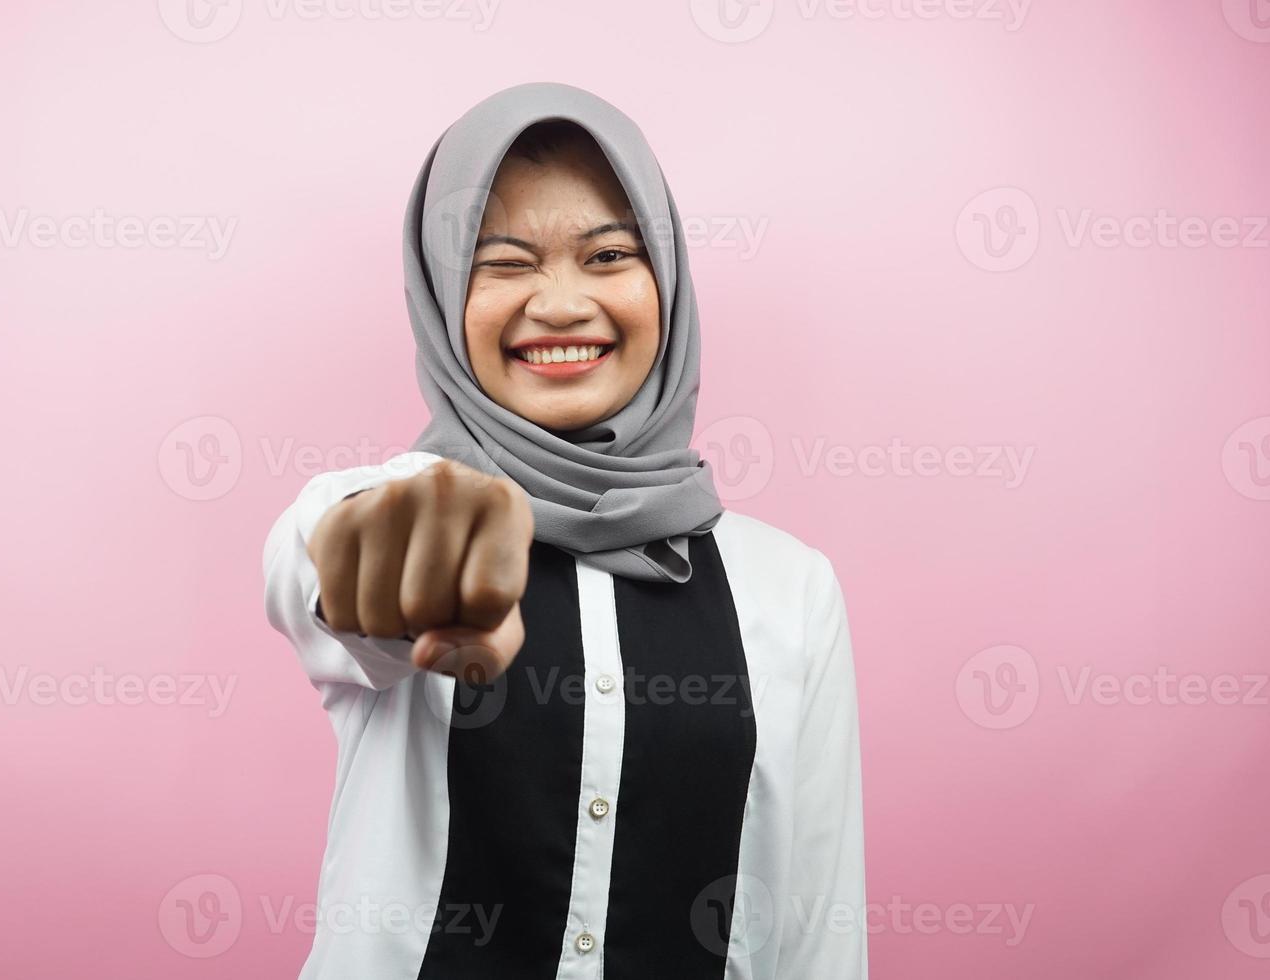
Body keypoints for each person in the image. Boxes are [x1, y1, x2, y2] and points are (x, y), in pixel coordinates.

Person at [263, 81, 868, 980]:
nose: (558, 304)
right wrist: (396, 561)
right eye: (503, 263)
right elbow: (325, 574)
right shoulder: (394, 503)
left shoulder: (789, 586)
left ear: (664, 279)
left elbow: (819, 926)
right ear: (440, 293)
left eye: (608, 254)